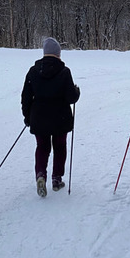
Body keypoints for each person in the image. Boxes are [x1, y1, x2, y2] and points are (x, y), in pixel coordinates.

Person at [21, 37, 80, 197]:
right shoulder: (64, 71)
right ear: (58, 54)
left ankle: (41, 175)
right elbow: (71, 98)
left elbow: (26, 96)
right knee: (60, 147)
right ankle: (56, 179)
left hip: (39, 117)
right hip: (60, 117)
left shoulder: (33, 71)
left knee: (42, 147)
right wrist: (77, 92)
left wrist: (27, 116)